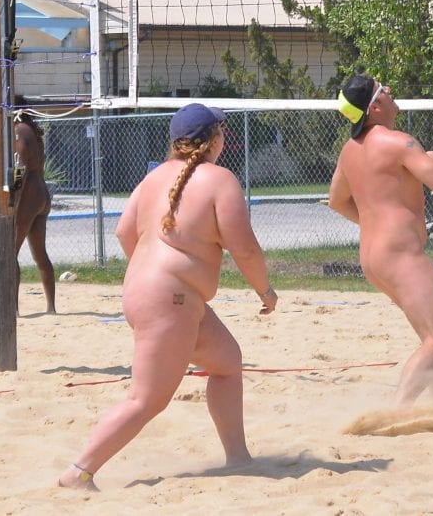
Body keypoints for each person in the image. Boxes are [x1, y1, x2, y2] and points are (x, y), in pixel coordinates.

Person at [58, 103, 274, 490]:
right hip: (170, 298)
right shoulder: (219, 179)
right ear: (215, 139)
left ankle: (238, 457)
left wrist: (153, 274)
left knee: (227, 361)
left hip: (157, 293)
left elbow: (124, 232)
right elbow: (245, 249)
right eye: (222, 131)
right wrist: (265, 290)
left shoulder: (153, 177)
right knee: (147, 400)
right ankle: (79, 471)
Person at [327, 74, 433, 404]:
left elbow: (337, 201)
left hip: (372, 257)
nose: (389, 90)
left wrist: (375, 224)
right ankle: (396, 414)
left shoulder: (349, 150)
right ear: (375, 107)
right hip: (399, 255)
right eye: (382, 89)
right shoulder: (398, 142)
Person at [15, 109, 57, 313]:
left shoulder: (20, 130)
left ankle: (12, 308)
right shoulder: (32, 131)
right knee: (40, 255)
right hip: (42, 192)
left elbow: (20, 168)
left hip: (29, 195)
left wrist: (14, 197)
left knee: (9, 253)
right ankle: (51, 307)